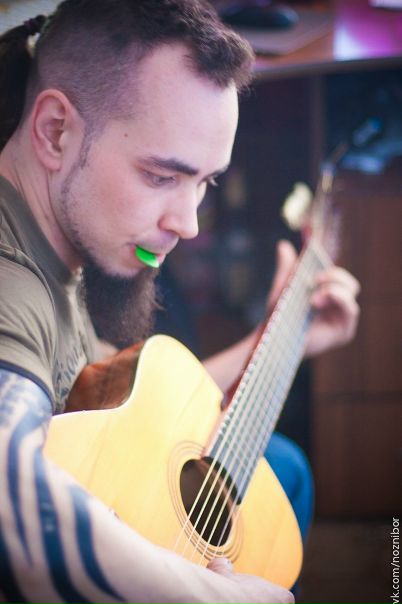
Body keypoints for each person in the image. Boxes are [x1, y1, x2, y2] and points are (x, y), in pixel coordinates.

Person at [0, 1, 360, 603]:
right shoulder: (11, 284)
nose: (189, 224)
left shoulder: (73, 229)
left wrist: (278, 340)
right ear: (56, 131)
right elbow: (9, 496)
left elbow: (134, 409)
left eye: (206, 181)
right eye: (162, 176)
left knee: (284, 468)